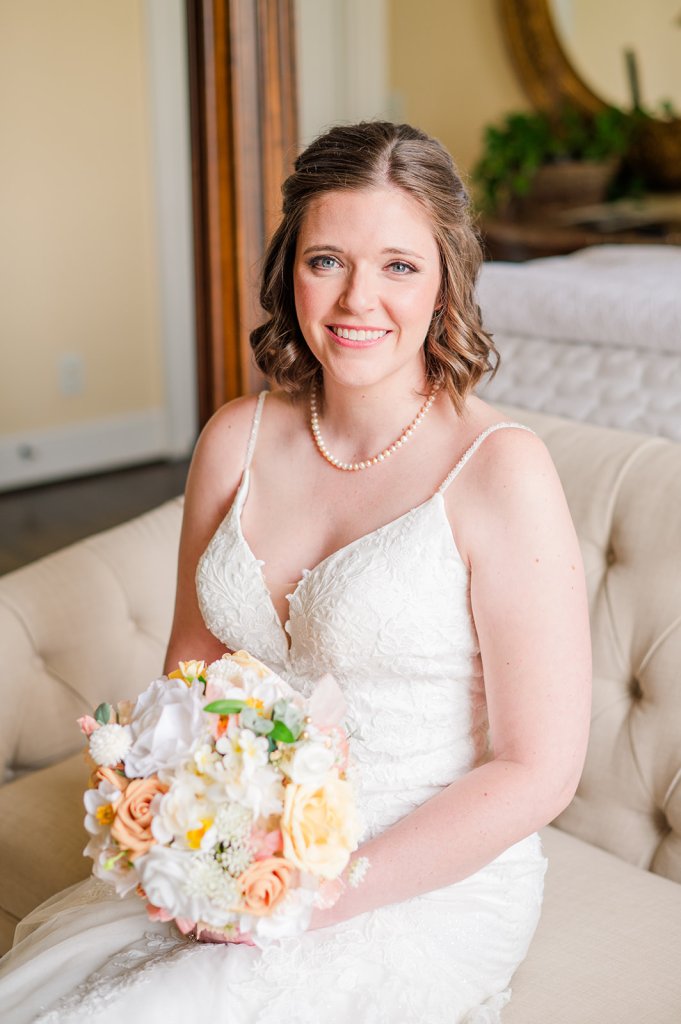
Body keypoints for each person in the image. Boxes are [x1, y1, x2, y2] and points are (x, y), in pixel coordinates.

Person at [0, 121, 591, 1023]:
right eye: (328, 260)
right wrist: (187, 839)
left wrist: (313, 896)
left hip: (424, 878)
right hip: (245, 855)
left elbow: (537, 770)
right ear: (289, 272)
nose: (358, 299)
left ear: (443, 284)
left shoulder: (501, 471)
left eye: (398, 265)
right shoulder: (235, 437)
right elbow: (190, 679)